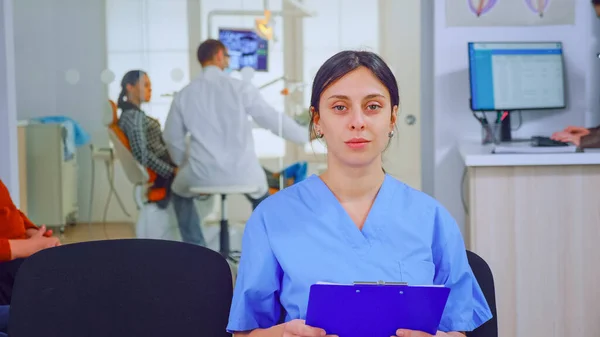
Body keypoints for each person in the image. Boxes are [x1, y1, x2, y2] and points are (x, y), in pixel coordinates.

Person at [226, 51, 492, 337]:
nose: (357, 121)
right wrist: (283, 334)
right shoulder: (272, 217)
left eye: (373, 106)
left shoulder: (431, 218)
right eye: (340, 107)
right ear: (317, 121)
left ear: (392, 118)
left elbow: (459, 328)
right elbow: (246, 332)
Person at [163, 39, 308, 214]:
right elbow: (271, 119)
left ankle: (195, 241)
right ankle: (265, 239)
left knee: (178, 192)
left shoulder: (184, 94)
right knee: (263, 199)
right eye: (227, 56)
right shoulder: (241, 88)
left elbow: (172, 138)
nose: (228, 61)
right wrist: (304, 135)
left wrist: (182, 162)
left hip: (200, 174)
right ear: (219, 56)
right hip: (244, 173)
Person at [116, 70, 205, 246]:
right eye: (145, 85)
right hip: (167, 172)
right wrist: (173, 171)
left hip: (171, 165)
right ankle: (197, 245)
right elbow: (141, 153)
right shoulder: (133, 117)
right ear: (130, 87)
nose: (150, 89)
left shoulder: (133, 115)